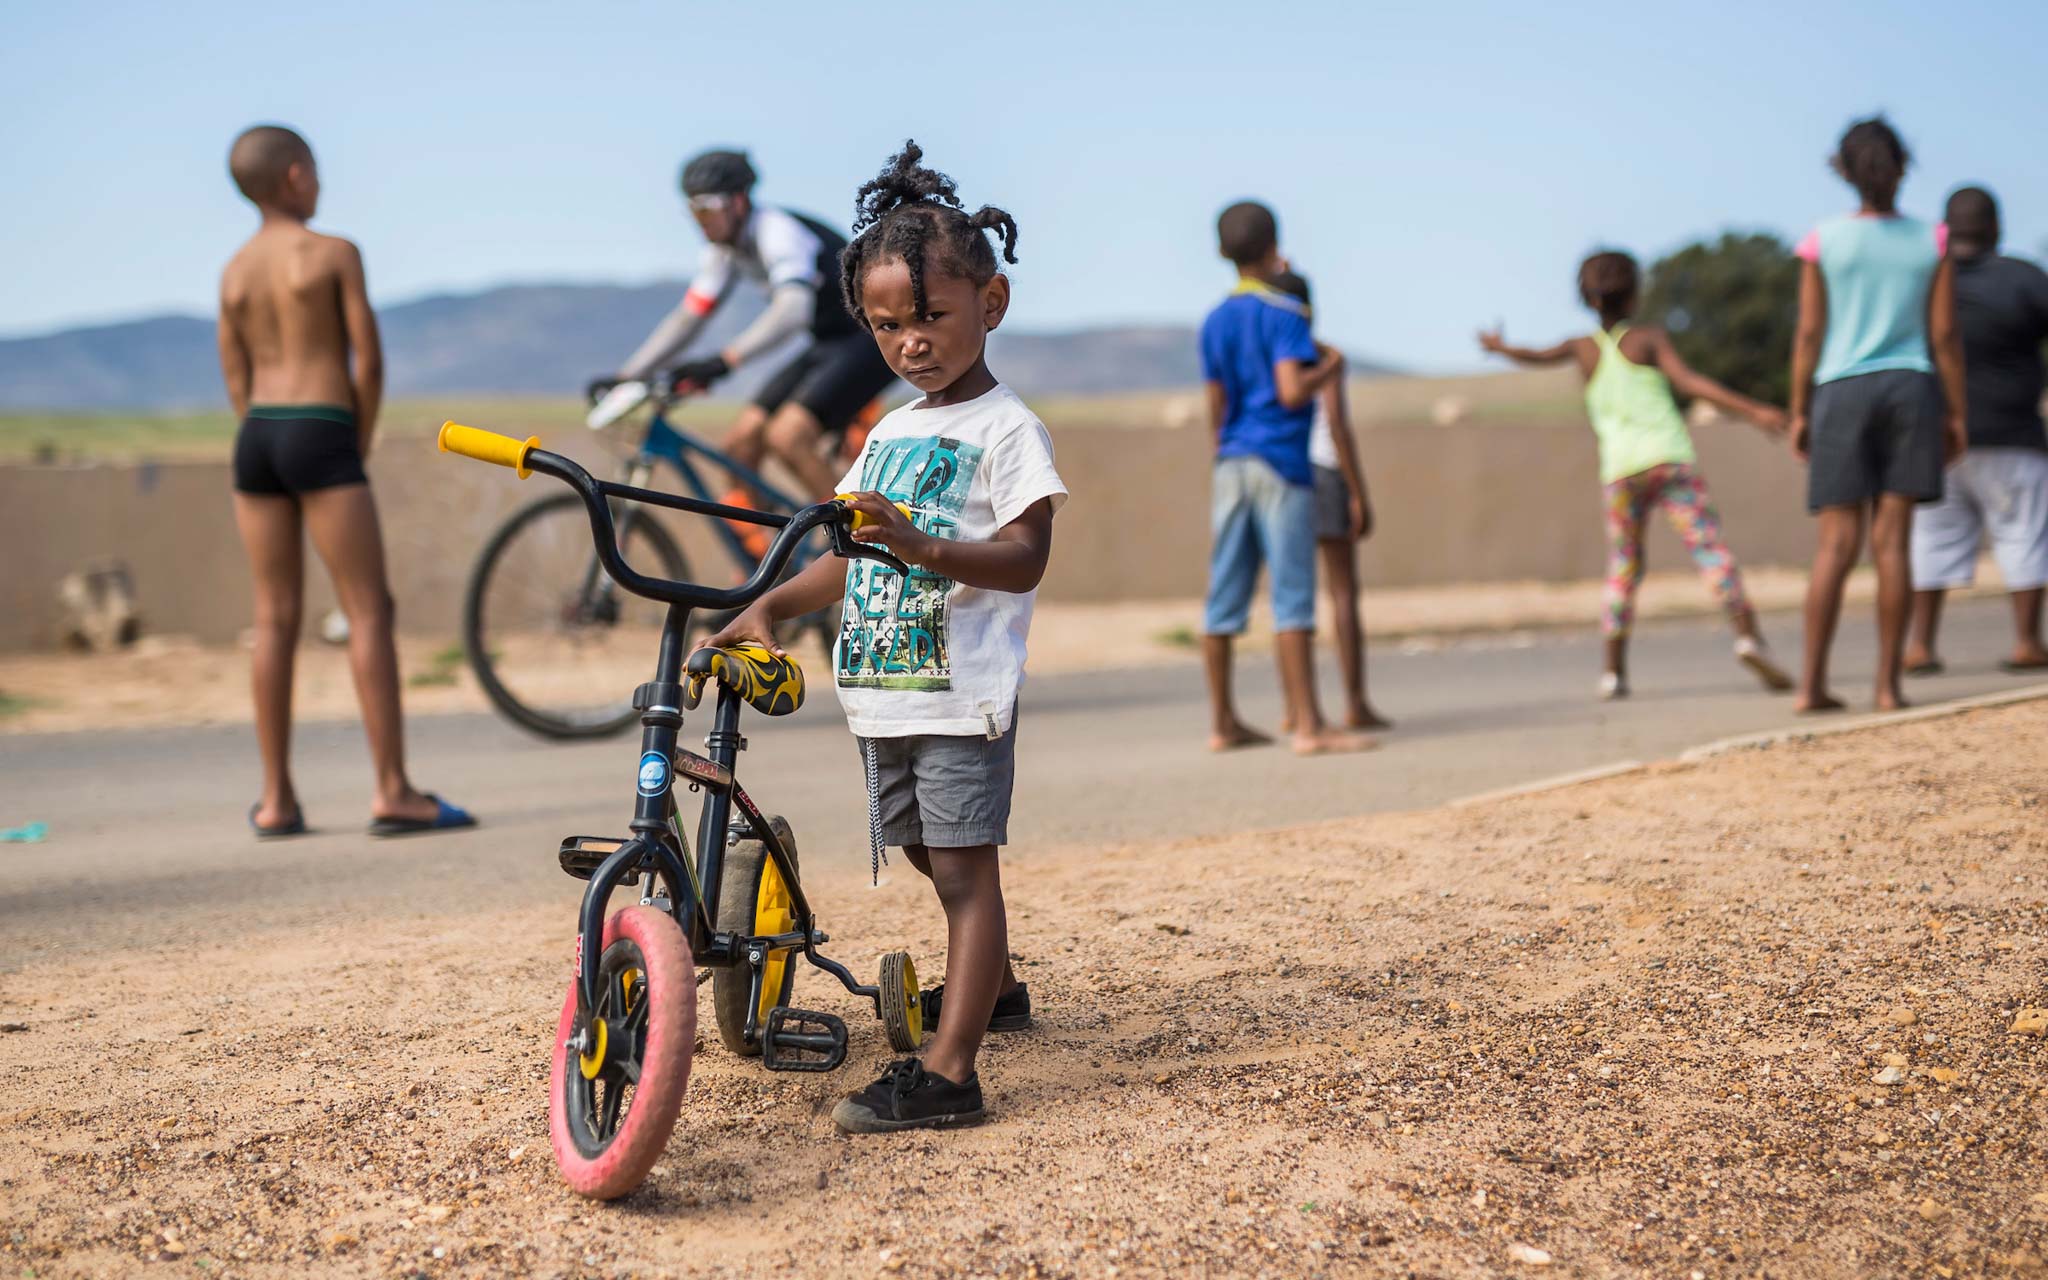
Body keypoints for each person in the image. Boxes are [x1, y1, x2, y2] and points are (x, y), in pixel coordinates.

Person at [699, 142, 1065, 1133]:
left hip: (960, 691)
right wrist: (772, 603)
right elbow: (855, 557)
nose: (910, 341)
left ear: (988, 305)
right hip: (886, 692)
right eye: (887, 324)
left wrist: (924, 544)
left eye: (932, 317)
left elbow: (1025, 554)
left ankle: (950, 1071)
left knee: (962, 866)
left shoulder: (1005, 430)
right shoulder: (886, 433)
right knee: (922, 850)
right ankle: (992, 987)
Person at [215, 125, 472, 839]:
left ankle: (276, 800)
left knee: (273, 617)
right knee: (367, 610)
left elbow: (234, 372)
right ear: (296, 176)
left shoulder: (234, 269)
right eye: (317, 171)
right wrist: (349, 441)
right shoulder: (333, 252)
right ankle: (392, 790)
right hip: (321, 427)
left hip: (257, 434)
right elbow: (371, 361)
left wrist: (263, 433)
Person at [1479, 251, 1792, 698]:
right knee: (1709, 551)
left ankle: (1613, 672)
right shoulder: (1648, 339)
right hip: (1669, 459)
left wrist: (1500, 348)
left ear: (1586, 297)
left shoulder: (1581, 348)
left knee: (1624, 568)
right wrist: (1753, 410)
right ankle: (1748, 638)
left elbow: (1536, 355)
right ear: (1634, 294)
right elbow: (1691, 383)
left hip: (1621, 471)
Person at [1789, 116, 1967, 712]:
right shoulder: (1931, 239)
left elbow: (1810, 332)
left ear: (1842, 170)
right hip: (1910, 389)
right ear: (1902, 164)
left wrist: (1797, 410)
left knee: (1835, 546)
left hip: (1840, 391)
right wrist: (1957, 414)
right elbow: (1943, 335)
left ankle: (1811, 686)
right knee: (1892, 545)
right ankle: (1887, 688)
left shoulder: (1823, 239)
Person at [607, 148, 899, 504]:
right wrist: (628, 375)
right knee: (740, 443)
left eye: (708, 210)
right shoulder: (724, 250)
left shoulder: (777, 233)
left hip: (867, 340)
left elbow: (792, 312)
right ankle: (770, 554)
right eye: (693, 212)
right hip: (827, 343)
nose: (701, 222)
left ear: (739, 201)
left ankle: (855, 546)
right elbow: (690, 317)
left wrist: (725, 360)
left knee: (788, 437)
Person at [1199, 202, 1373, 755]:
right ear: (1275, 248)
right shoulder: (1285, 314)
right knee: (1293, 596)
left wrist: (1223, 453)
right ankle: (1309, 726)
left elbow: (1216, 400)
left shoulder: (1215, 319)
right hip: (1282, 463)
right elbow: (1292, 391)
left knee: (1223, 596)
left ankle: (1223, 722)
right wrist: (1331, 368)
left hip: (1232, 461)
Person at [1904, 186, 2048, 674]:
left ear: (1945, 229)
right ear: (1995, 228)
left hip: (1937, 437)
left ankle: (1920, 645)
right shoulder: (2025, 279)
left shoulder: (1920, 281)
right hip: (2013, 437)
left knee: (1930, 540)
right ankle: (2027, 642)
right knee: (2022, 535)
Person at [1267, 268, 1390, 730]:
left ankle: (1293, 709)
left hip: (1280, 472)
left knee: (1288, 595)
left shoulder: (1267, 359)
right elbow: (1337, 425)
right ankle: (1355, 703)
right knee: (1342, 592)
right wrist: (1359, 493)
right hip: (1324, 473)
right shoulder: (1325, 356)